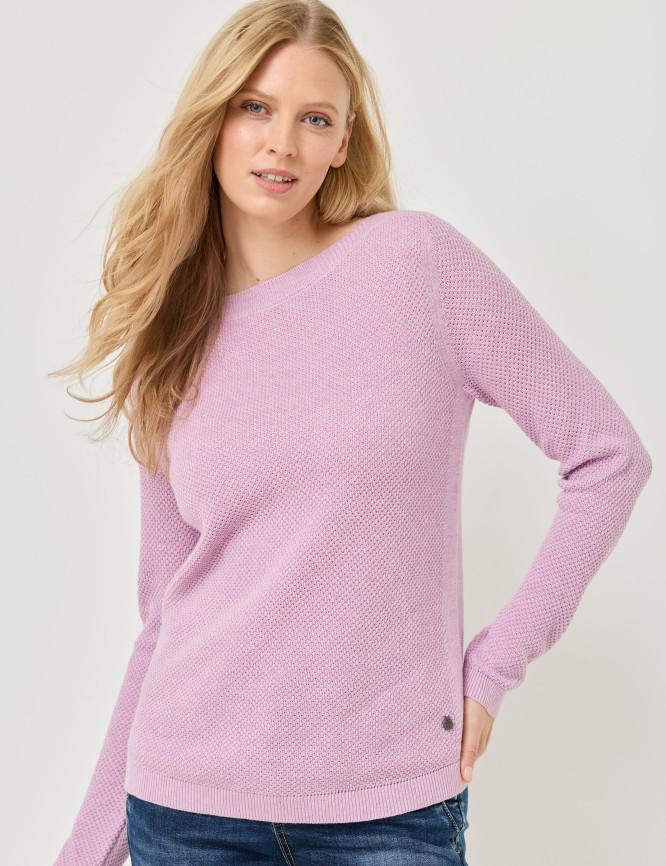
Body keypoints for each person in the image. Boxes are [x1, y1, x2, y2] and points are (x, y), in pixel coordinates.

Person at [49, 1, 652, 864]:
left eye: (314, 119)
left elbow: (608, 457)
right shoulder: (169, 341)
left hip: (391, 811)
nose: (281, 144)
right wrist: (85, 852)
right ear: (212, 119)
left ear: (343, 142)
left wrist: (494, 668)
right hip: (186, 809)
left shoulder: (417, 266)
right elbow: (163, 616)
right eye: (255, 107)